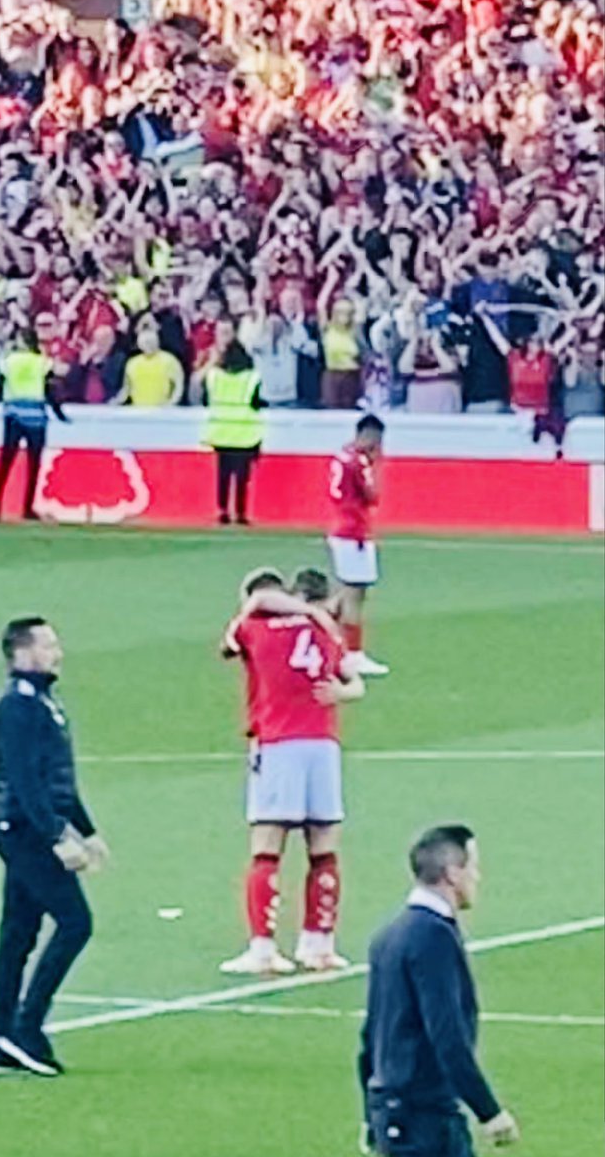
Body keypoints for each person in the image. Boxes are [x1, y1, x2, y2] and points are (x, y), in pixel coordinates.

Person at [0, 617, 109, 1078]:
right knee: (75, 922)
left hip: (29, 827)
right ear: (23, 652)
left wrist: (86, 830)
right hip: (24, 831)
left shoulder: (43, 702)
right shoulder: (17, 707)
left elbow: (57, 777)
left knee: (17, 933)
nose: (58, 652)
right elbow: (24, 779)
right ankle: (26, 1029)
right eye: (49, 644)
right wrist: (58, 837)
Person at [220, 565, 364, 976]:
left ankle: (263, 948)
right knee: (324, 846)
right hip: (323, 743)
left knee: (266, 847)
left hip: (278, 742)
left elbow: (251, 613)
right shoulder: (323, 631)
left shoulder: (254, 628)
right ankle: (318, 943)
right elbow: (352, 680)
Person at [358, 825, 520, 1156]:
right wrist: (488, 1111)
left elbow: (370, 1036)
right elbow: (447, 1034)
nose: (478, 877)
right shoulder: (433, 936)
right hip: (425, 1117)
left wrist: (369, 1115)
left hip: (393, 1111)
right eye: (472, 867)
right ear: (452, 874)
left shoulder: (388, 935)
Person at [0, 328, 69, 523]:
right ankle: (28, 508)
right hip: (36, 418)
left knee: (5, 461)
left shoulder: (8, 362)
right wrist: (59, 414)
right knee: (34, 464)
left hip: (13, 415)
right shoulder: (42, 363)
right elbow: (49, 392)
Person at [327, 414, 389, 677]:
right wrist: (373, 465)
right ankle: (353, 655)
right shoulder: (359, 461)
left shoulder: (341, 456)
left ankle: (330, 641)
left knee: (347, 591)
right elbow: (372, 496)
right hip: (354, 532)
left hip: (341, 528)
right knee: (354, 594)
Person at [204, 330, 265, 526]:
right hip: (246, 435)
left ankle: (222, 510)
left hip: (221, 433)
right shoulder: (252, 378)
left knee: (223, 476)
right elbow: (257, 403)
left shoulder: (214, 377)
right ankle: (240, 512)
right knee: (241, 478)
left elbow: (207, 400)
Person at [118, 318, 185, 407]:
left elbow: (179, 387)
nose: (147, 341)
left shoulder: (169, 360)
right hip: (138, 411)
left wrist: (170, 405)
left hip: (162, 412)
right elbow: (126, 390)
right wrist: (115, 403)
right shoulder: (132, 363)